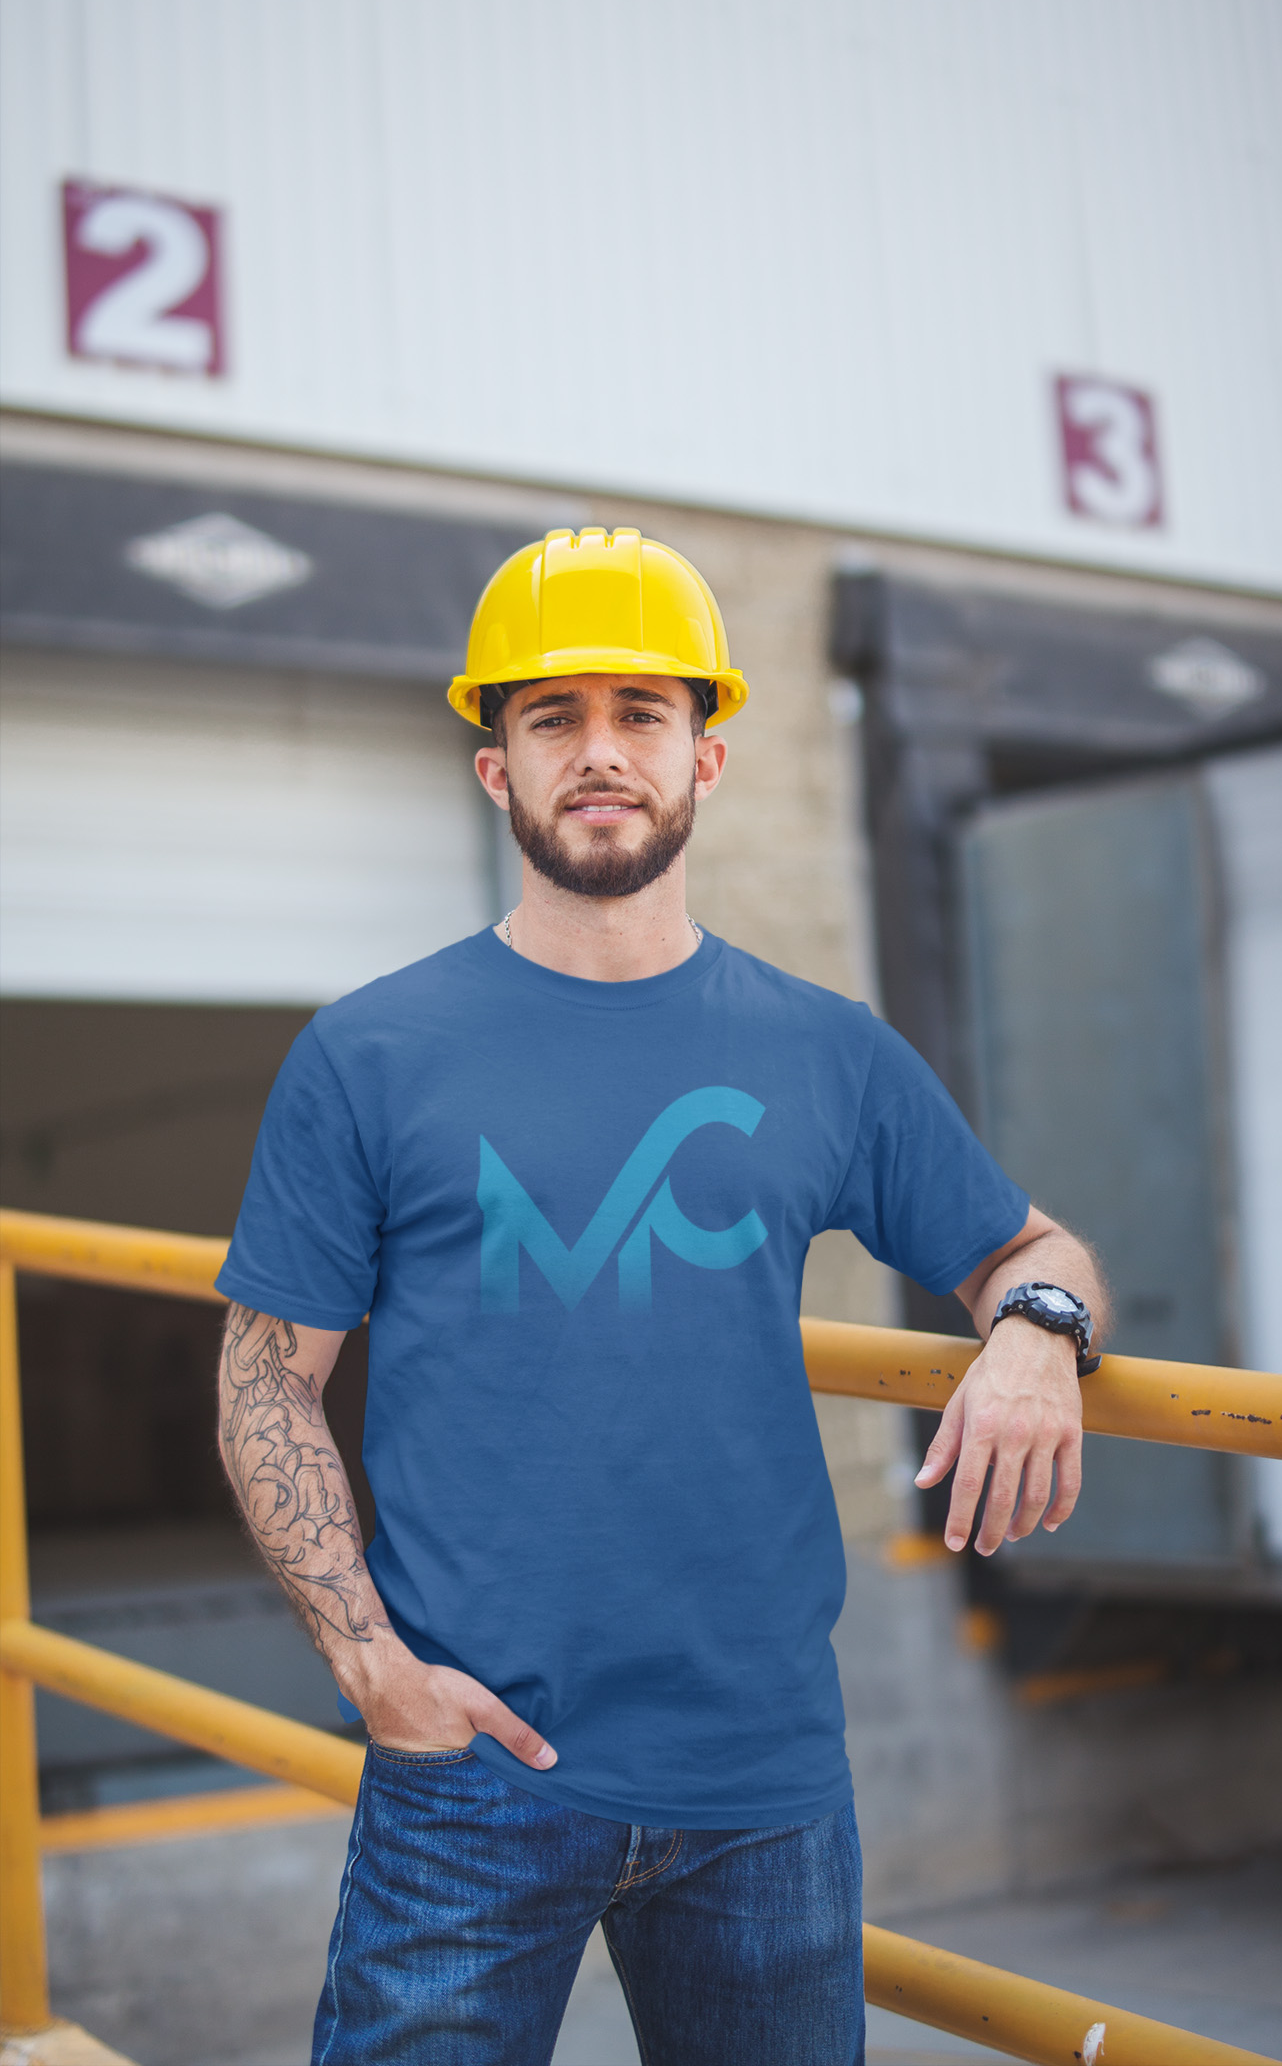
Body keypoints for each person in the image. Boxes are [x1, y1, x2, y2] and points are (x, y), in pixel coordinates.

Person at [216, 527, 1108, 2066]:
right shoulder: (367, 1055)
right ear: (494, 767)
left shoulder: (828, 1050)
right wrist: (372, 1670)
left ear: (709, 755)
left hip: (760, 1788)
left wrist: (1037, 1337)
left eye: (642, 711)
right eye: (551, 716)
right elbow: (262, 1376)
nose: (600, 751)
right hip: (467, 1778)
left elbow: (1032, 1250)